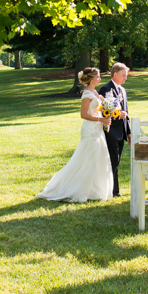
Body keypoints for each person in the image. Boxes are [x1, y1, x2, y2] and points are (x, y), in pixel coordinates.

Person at [36, 67, 114, 202]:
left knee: (97, 159)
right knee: (88, 159)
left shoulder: (95, 92)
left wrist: (105, 119)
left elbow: (97, 110)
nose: (100, 79)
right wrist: (99, 119)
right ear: (90, 79)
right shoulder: (87, 94)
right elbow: (83, 115)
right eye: (97, 77)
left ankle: (94, 192)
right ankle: (74, 189)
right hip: (90, 129)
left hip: (98, 129)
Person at [99, 62, 131, 197]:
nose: (126, 78)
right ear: (115, 74)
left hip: (121, 132)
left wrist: (128, 132)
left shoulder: (123, 90)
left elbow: (127, 112)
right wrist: (118, 115)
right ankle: (113, 191)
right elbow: (102, 112)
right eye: (124, 75)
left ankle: (114, 190)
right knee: (113, 161)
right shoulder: (105, 89)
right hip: (110, 131)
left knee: (116, 161)